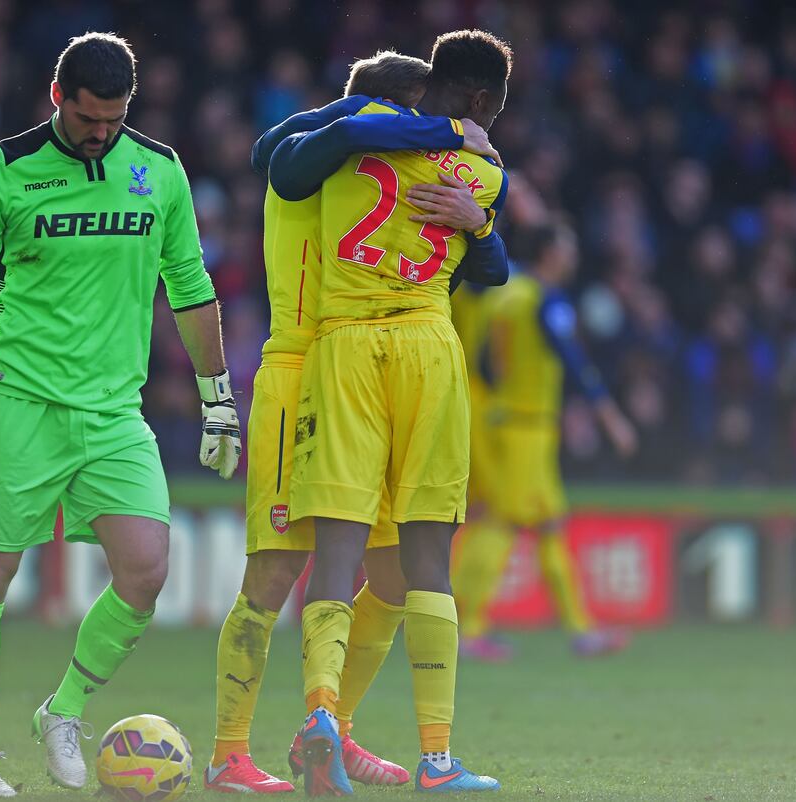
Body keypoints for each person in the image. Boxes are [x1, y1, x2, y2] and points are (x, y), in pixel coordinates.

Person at [0, 33, 240, 797]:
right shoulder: (4, 170)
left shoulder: (161, 171)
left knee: (146, 571)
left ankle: (64, 710)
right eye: (88, 119)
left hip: (115, 412)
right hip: (17, 402)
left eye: (115, 120)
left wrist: (218, 396)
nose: (101, 134)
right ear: (58, 97)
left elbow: (189, 287)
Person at [206, 50, 508, 794]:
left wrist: (477, 218)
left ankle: (330, 729)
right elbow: (274, 151)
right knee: (276, 570)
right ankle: (228, 751)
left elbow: (482, 266)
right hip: (302, 368)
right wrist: (436, 129)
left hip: (362, 369)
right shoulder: (325, 150)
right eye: (414, 117)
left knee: (396, 575)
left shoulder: (381, 161)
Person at [453, 221, 637, 661]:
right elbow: (572, 358)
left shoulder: (504, 294)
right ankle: (463, 628)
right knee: (502, 522)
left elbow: (483, 363)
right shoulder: (545, 299)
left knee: (549, 523)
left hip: (505, 420)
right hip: (526, 427)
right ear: (550, 253)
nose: (573, 255)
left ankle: (581, 630)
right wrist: (609, 416)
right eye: (567, 246)